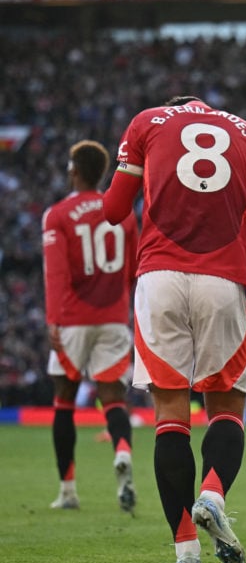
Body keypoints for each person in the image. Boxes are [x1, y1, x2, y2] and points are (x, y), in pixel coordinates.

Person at [103, 96, 246, 563]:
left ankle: (185, 550)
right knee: (226, 408)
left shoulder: (147, 122)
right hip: (223, 283)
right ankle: (213, 493)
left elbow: (113, 210)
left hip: (158, 277)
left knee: (170, 417)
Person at [42, 140, 139, 513]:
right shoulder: (124, 214)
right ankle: (123, 451)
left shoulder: (57, 215)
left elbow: (56, 272)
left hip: (72, 319)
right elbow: (132, 270)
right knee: (113, 398)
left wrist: (53, 319)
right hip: (114, 318)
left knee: (63, 401)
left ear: (75, 171)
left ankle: (68, 490)